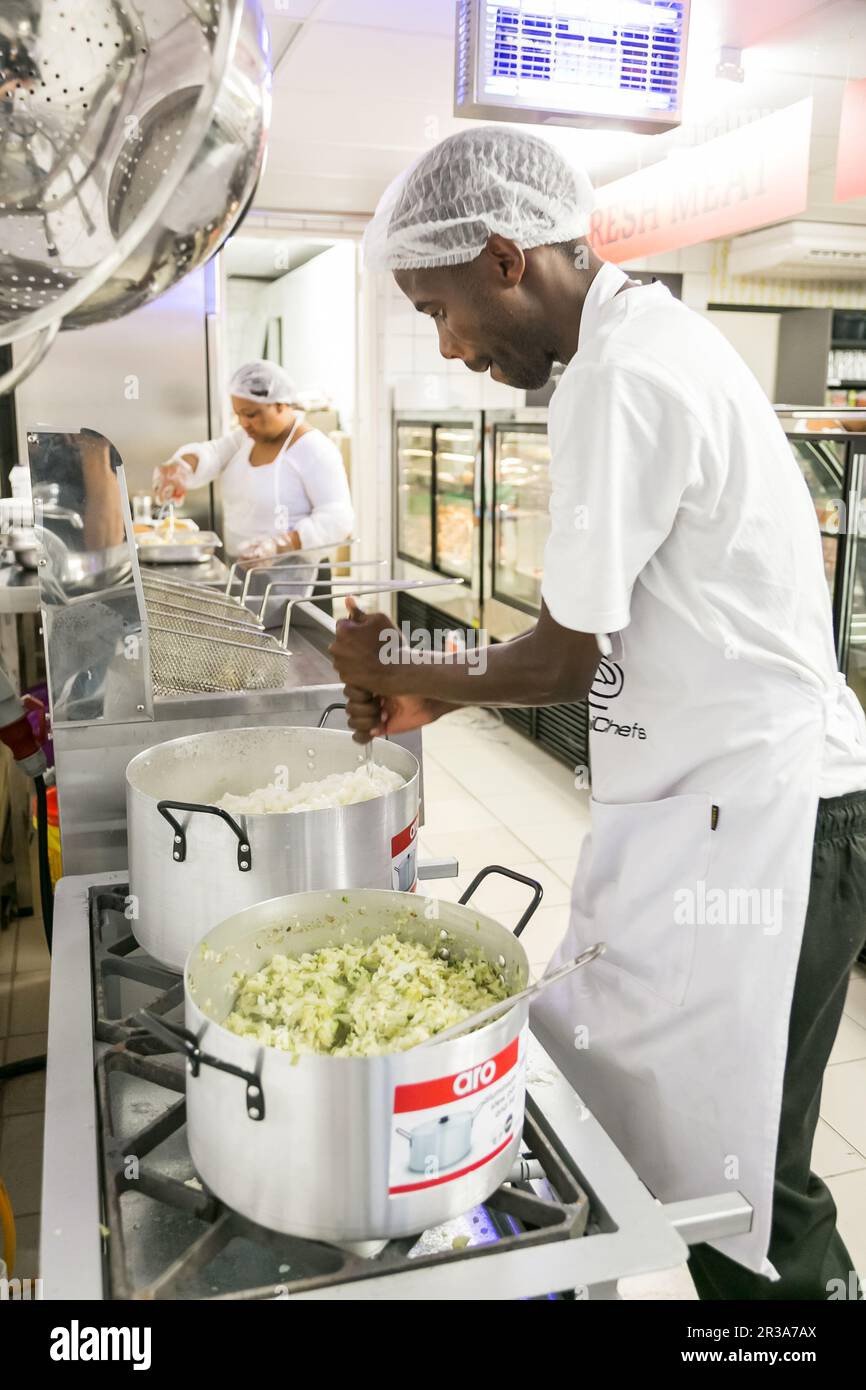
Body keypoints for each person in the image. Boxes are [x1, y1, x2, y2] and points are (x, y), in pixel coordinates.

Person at [330, 127, 866, 1300]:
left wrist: (404, 654)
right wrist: (430, 676)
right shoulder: (632, 346)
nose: (448, 344)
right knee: (661, 1136)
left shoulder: (621, 375)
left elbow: (560, 661)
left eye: (437, 307)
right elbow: (592, 640)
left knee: (747, 1196)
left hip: (775, 824)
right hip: (718, 815)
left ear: (501, 255)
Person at [152, 360, 353, 560]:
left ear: (281, 404)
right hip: (244, 573)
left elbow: (338, 519)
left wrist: (279, 545)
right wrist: (182, 467)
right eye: (238, 414)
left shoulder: (314, 449)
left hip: (296, 580)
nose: (243, 423)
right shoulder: (245, 439)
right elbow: (213, 453)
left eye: (251, 414)